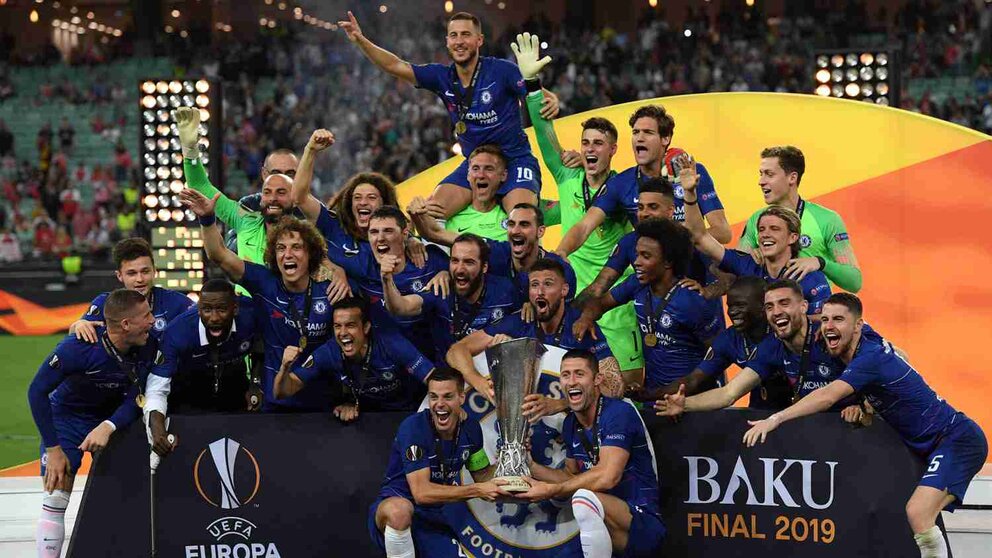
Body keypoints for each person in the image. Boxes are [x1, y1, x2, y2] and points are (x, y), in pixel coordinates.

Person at [742, 293, 988, 558]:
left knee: (918, 512)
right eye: (825, 320)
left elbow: (826, 396)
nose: (829, 326)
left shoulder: (869, 358)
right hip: (930, 445)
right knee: (918, 517)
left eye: (838, 320)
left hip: (957, 439)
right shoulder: (865, 338)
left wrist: (775, 418)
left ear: (858, 325)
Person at [337, 12, 558, 218]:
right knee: (429, 216)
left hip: (514, 160)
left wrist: (551, 98)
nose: (459, 41)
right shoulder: (441, 76)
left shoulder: (502, 71)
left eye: (465, 35)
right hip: (474, 165)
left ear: (479, 40)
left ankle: (548, 211)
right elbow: (396, 65)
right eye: (454, 35)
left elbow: (537, 93)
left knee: (522, 218)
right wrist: (360, 40)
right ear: (447, 41)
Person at [180, 188, 338, 412]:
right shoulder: (264, 281)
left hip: (323, 407)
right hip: (275, 405)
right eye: (281, 248)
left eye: (296, 247)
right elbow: (219, 255)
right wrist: (207, 219)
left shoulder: (331, 289)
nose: (288, 254)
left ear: (311, 253)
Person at [28, 289, 157, 558]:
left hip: (115, 418)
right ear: (125, 324)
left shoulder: (149, 345)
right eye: (146, 316)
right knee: (55, 495)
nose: (153, 321)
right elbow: (36, 391)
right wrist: (53, 449)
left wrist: (108, 425)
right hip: (68, 416)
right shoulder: (77, 347)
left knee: (128, 493)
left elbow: (138, 399)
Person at [654, 280, 879, 419]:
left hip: (857, 430)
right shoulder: (772, 347)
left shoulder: (831, 331)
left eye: (784, 303)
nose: (776, 311)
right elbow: (729, 393)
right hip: (815, 429)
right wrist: (685, 404)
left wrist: (866, 406)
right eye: (770, 306)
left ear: (803, 307)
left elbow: (894, 359)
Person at [515, 349, 665, 558]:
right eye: (566, 375)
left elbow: (608, 476)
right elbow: (571, 478)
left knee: (583, 497)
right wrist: (532, 466)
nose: (572, 381)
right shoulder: (570, 423)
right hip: (605, 529)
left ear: (597, 379)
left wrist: (552, 489)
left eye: (580, 374)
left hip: (640, 523)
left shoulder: (619, 413)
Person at [556, 105, 730, 258]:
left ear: (665, 139)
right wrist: (561, 252)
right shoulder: (621, 183)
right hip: (653, 278)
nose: (639, 138)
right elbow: (584, 227)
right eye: (635, 132)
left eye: (648, 132)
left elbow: (723, 232)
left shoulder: (692, 173)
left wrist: (673, 243)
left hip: (697, 274)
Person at [575, 219, 724, 397]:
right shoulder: (637, 283)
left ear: (668, 262)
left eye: (646, 256)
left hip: (689, 401)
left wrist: (674, 392)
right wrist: (586, 317)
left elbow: (718, 354)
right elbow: (599, 303)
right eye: (637, 254)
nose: (636, 262)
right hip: (655, 397)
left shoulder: (690, 301)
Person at [368, 367, 506, 558]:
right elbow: (421, 493)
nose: (439, 404)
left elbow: (482, 476)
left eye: (447, 397)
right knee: (399, 511)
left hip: (431, 520)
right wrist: (477, 490)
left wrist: (506, 463)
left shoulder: (471, 430)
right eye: (434, 397)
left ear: (461, 398)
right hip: (394, 507)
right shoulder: (414, 427)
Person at [447, 258, 622, 404]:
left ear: (564, 290)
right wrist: (479, 381)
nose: (540, 292)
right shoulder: (519, 323)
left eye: (548, 284)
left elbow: (615, 388)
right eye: (535, 285)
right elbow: (456, 351)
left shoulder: (581, 326)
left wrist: (560, 404)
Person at [681, 163, 831, 315]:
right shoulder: (747, 265)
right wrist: (690, 193)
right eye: (761, 229)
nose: (765, 234)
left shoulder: (811, 278)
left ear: (793, 237)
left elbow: (823, 322)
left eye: (774, 229)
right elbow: (699, 236)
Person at [273, 297, 436, 417]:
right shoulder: (328, 352)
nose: (343, 333)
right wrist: (284, 368)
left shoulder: (391, 344)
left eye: (350, 325)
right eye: (337, 326)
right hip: (364, 419)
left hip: (404, 414)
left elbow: (434, 379)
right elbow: (283, 392)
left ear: (365, 327)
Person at [143, 279, 260, 436]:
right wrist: (156, 429)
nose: (214, 318)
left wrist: (256, 383)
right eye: (207, 310)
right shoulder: (177, 332)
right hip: (189, 392)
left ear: (235, 308)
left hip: (235, 386)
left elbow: (263, 347)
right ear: (198, 310)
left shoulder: (252, 315)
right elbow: (157, 386)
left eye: (222, 309)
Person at [331, 206, 450, 360]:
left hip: (436, 354)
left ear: (404, 233)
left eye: (388, 231)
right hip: (389, 361)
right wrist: (336, 270)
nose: (380, 238)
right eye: (373, 232)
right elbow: (318, 253)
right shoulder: (360, 263)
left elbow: (466, 271)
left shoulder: (431, 259)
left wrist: (447, 274)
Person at [738, 146, 863, 292]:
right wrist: (748, 260)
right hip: (772, 311)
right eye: (761, 174)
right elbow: (735, 273)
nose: (761, 181)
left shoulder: (827, 219)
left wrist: (820, 263)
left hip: (813, 311)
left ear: (792, 177)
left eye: (769, 174)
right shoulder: (756, 219)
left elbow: (854, 282)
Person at [381, 233, 521, 358]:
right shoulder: (441, 288)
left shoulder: (506, 291)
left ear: (484, 267)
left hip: (490, 374)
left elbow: (527, 322)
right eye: (455, 260)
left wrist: (513, 334)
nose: (459, 269)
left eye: (468, 262)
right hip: (449, 379)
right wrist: (386, 279)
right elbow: (400, 308)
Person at [414, 202, 576, 300]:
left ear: (540, 232)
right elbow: (435, 233)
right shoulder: (496, 251)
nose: (516, 230)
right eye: (511, 224)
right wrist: (414, 215)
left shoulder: (561, 272)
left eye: (524, 225)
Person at [69, 237, 193, 343]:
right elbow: (74, 332)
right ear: (119, 275)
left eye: (145, 271)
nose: (140, 279)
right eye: (131, 273)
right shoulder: (105, 303)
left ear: (154, 271)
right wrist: (78, 325)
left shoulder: (176, 302)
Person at [441, 144, 510, 241]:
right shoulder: (449, 219)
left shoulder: (512, 219)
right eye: (475, 169)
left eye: (489, 169)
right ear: (468, 175)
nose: (481, 175)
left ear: (503, 175)